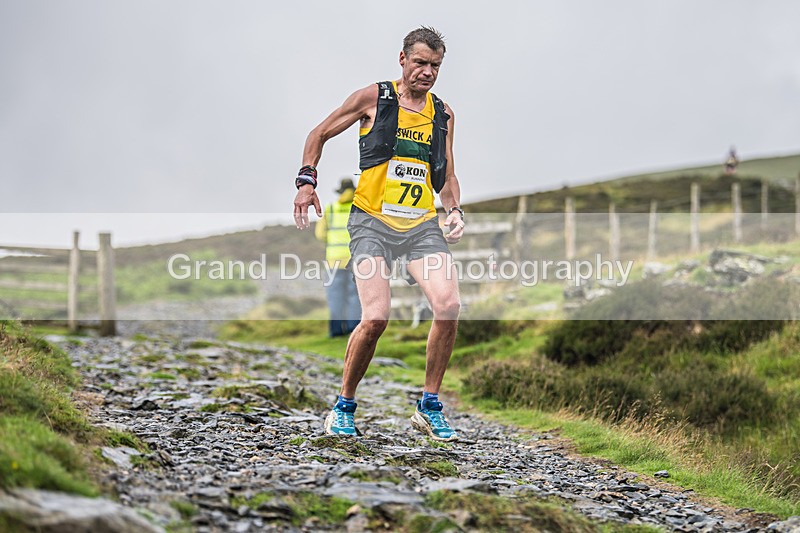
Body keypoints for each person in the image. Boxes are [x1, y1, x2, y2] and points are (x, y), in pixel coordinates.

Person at [292, 26, 465, 441]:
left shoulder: (442, 114)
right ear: (403, 59)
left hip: (420, 225)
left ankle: (429, 405)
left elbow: (447, 175)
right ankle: (343, 406)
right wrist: (306, 181)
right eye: (420, 63)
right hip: (372, 223)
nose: (427, 72)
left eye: (435, 66)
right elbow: (319, 133)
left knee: (448, 305)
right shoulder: (374, 97)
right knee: (375, 317)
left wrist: (455, 209)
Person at [315, 177, 362, 337]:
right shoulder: (359, 208)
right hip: (355, 259)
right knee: (355, 295)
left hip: (334, 260)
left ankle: (336, 331)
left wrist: (332, 241)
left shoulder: (331, 209)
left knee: (335, 296)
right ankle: (353, 329)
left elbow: (320, 234)